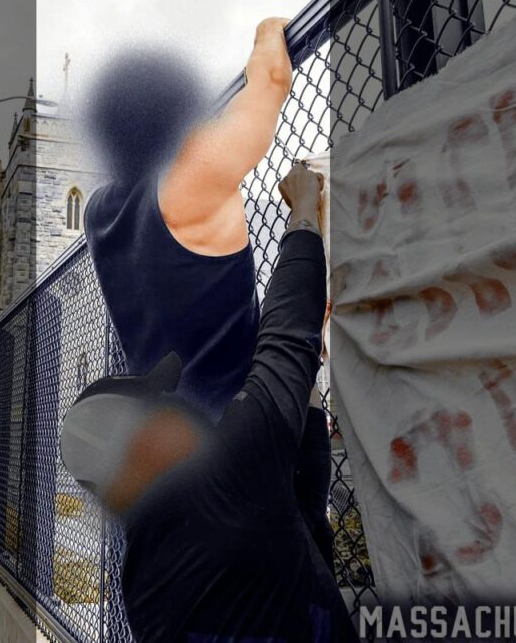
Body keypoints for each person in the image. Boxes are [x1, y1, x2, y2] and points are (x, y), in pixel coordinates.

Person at [62, 162, 356, 643]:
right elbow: (287, 329)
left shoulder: (140, 579)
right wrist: (304, 207)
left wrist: (304, 381)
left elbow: (298, 502)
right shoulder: (232, 472)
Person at [83, 18, 336, 564]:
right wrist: (271, 30)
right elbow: (271, 81)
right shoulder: (192, 178)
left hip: (173, 450)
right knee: (295, 568)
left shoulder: (98, 211)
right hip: (245, 438)